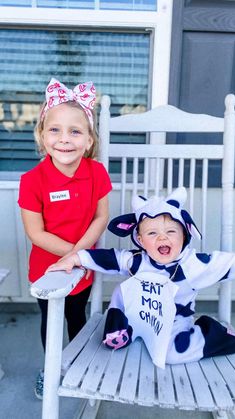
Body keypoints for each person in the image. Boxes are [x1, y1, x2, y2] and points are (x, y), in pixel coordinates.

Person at [46, 187, 235, 369]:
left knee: (173, 354)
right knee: (123, 295)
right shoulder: (137, 260)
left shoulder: (192, 265)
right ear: (140, 239)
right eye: (152, 233)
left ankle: (212, 334)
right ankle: (120, 329)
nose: (162, 238)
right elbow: (110, 258)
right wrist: (76, 257)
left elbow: (226, 263)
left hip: (174, 321)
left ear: (185, 234)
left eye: (171, 231)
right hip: (138, 315)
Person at [18, 78, 112, 398]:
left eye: (75, 131)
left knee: (77, 317)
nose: (64, 139)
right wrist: (72, 254)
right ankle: (53, 367)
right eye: (55, 130)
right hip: (50, 269)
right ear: (42, 137)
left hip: (83, 266)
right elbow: (35, 232)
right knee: (52, 322)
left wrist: (79, 255)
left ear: (88, 140)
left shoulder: (96, 172)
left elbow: (101, 217)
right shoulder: (32, 180)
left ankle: (81, 365)